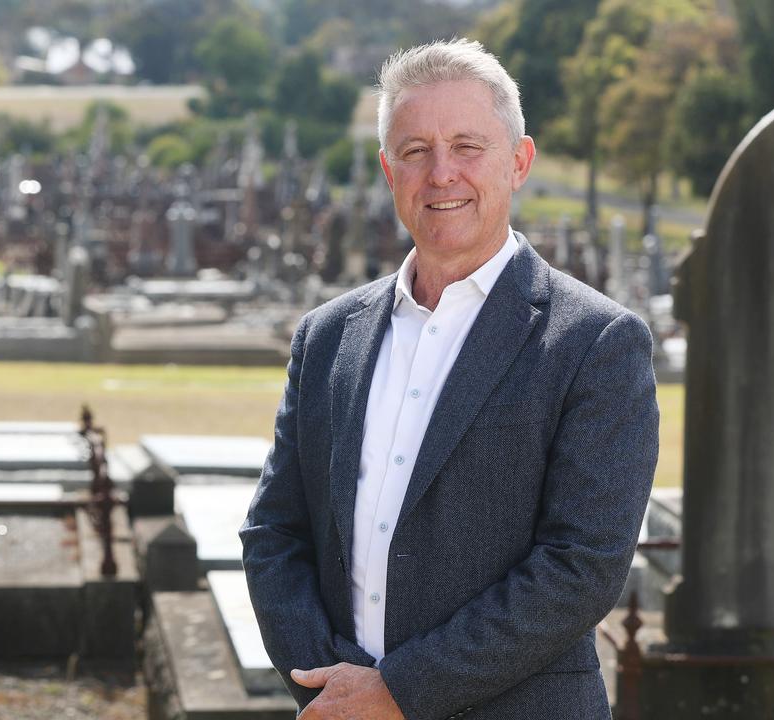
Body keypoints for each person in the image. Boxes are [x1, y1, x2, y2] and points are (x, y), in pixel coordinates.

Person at [240, 39, 658, 720]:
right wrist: (328, 689)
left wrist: (399, 693)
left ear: (518, 161)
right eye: (415, 151)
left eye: (467, 146)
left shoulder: (594, 343)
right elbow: (274, 534)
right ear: (387, 171)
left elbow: (581, 567)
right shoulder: (327, 337)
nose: (441, 175)